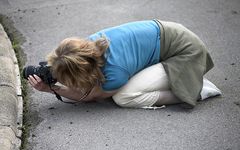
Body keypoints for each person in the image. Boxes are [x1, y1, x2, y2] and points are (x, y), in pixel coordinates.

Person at [28, 19, 221, 109]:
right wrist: (56, 82)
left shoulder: (115, 71)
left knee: (124, 98)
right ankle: (184, 82)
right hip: (167, 37)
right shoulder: (85, 48)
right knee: (73, 96)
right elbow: (80, 91)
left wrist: (49, 89)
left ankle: (195, 90)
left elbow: (89, 96)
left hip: (184, 53)